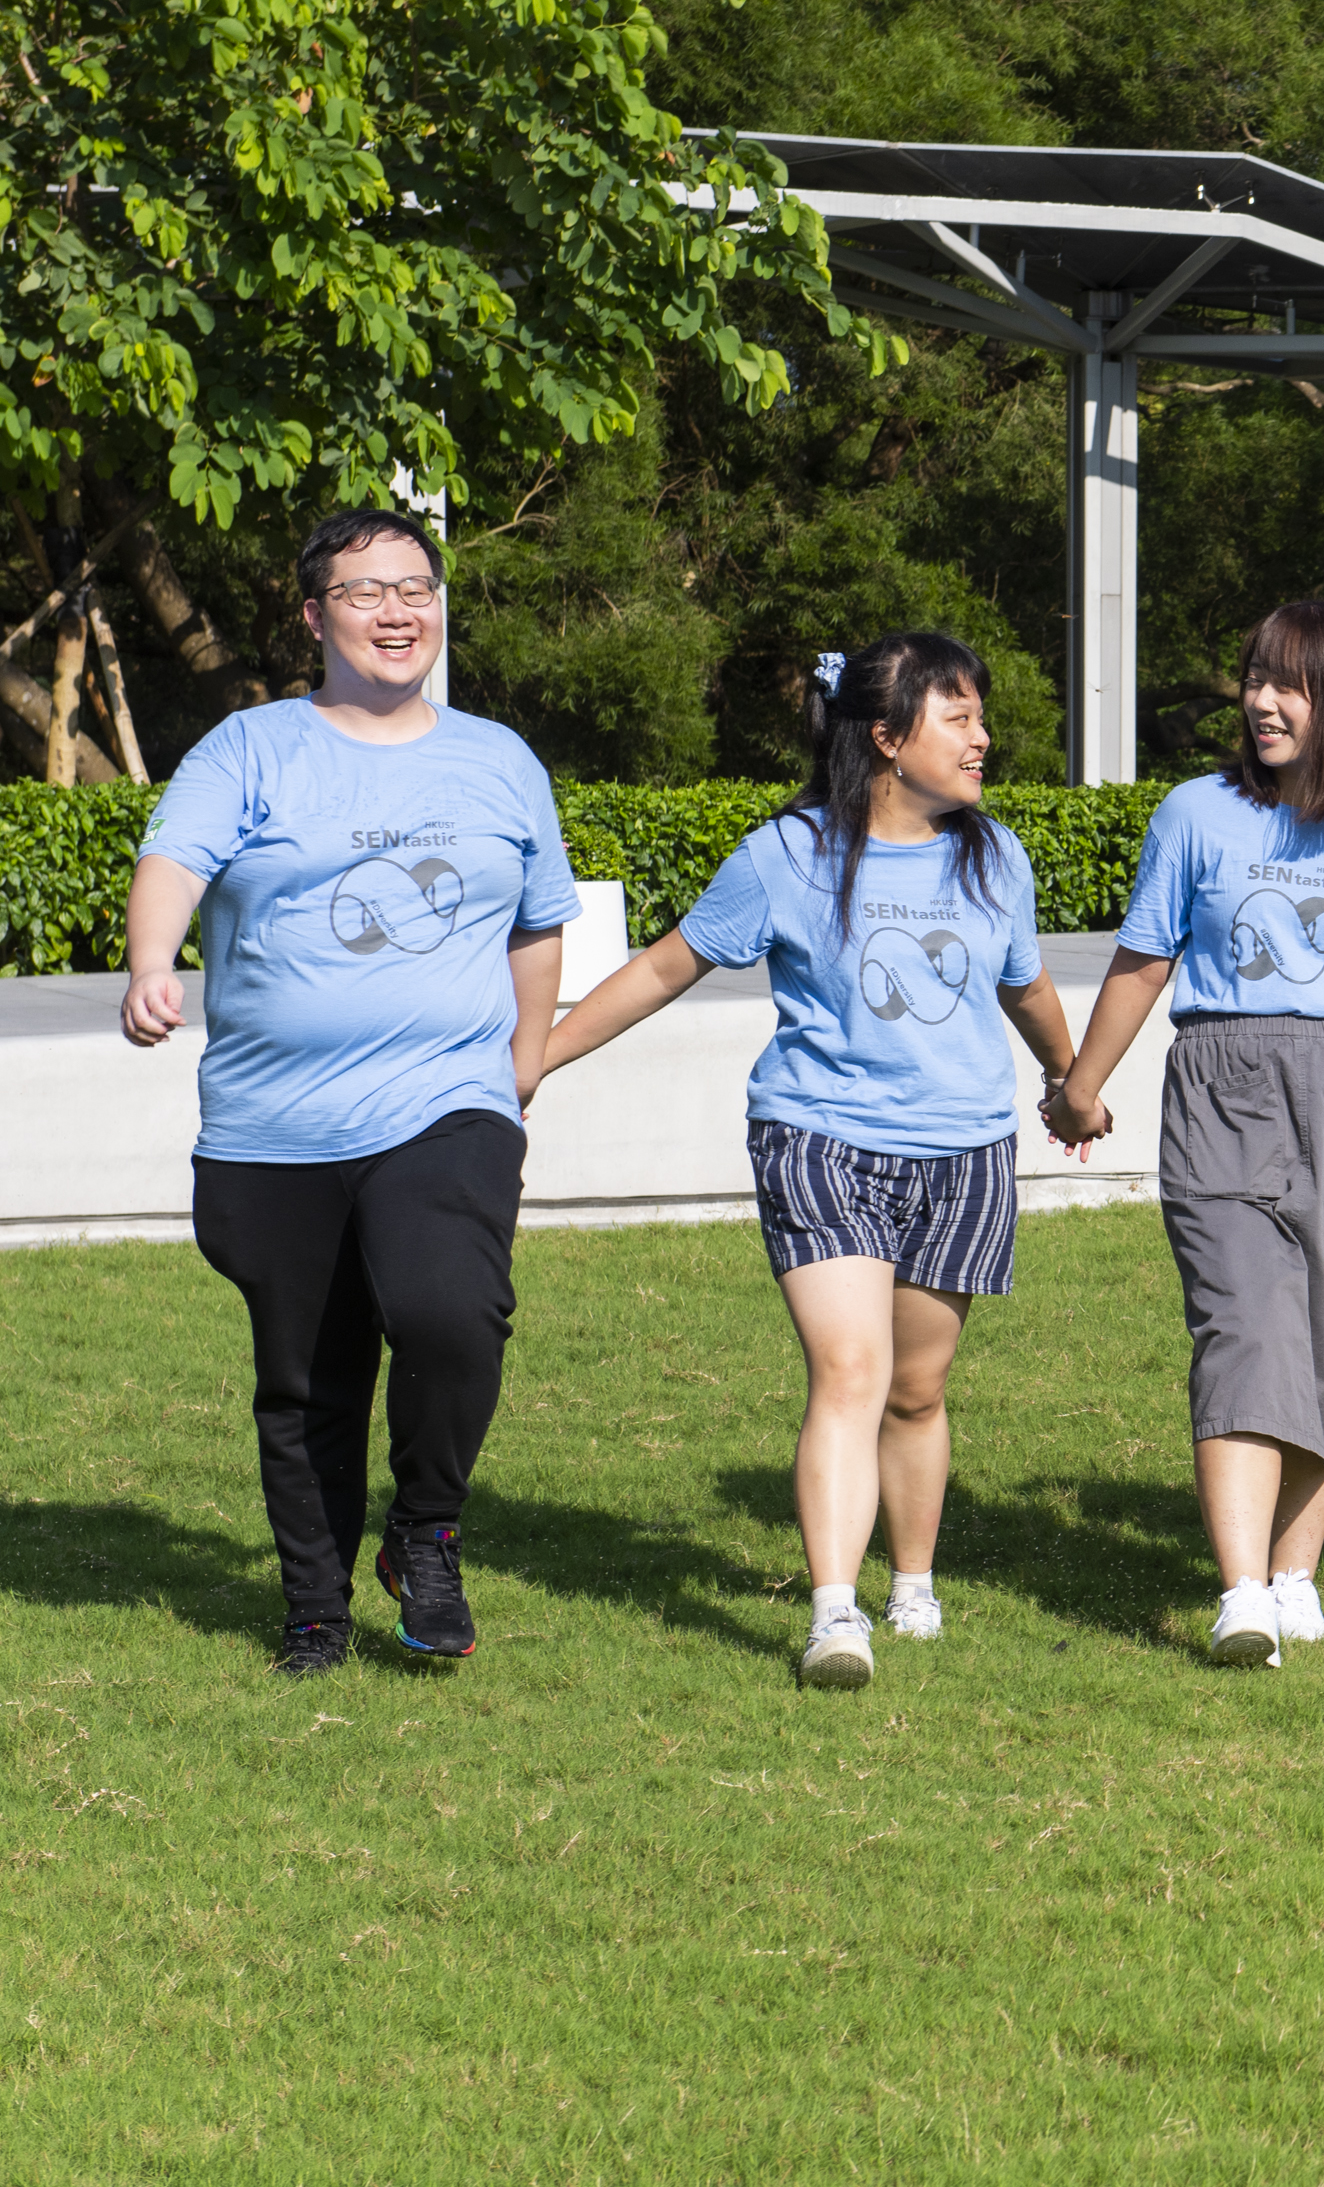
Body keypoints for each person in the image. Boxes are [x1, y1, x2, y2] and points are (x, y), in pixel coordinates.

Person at [536, 632, 1078, 1689]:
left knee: (916, 1389)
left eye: (979, 716)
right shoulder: (784, 856)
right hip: (819, 1136)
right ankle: (836, 1614)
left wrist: (1072, 1080)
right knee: (851, 1370)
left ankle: (910, 1583)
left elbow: (1025, 986)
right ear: (885, 738)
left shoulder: (992, 855)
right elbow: (663, 967)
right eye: (956, 717)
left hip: (962, 1149)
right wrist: (538, 1059)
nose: (983, 739)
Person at [121, 509, 582, 1676]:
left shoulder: (498, 760)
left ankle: (425, 1526)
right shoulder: (251, 750)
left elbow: (537, 925)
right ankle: (315, 1610)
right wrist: (149, 965)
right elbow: (173, 863)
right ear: (315, 615)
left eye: (416, 586)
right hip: (274, 1125)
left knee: (449, 1316)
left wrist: (523, 1059)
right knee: (311, 1378)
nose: (396, 609)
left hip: (447, 1100)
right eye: (366, 590)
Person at [1044, 601, 1324, 1671]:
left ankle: (1296, 1577)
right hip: (1223, 1082)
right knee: (1245, 1326)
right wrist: (1081, 1087)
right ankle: (1240, 1590)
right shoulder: (1197, 814)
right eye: (1253, 677)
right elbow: (1144, 961)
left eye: (1286, 682)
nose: (1258, 699)